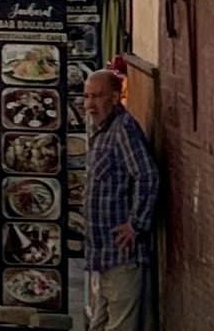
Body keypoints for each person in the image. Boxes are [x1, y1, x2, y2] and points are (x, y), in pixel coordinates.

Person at [82, 66, 161, 331]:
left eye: (97, 96)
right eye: (87, 97)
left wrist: (136, 223)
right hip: (103, 256)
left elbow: (147, 175)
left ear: (115, 97)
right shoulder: (102, 130)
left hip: (122, 257)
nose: (90, 104)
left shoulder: (123, 129)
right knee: (99, 325)